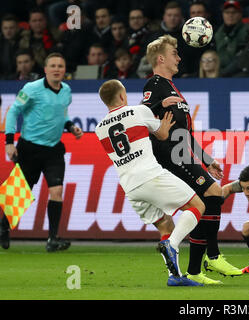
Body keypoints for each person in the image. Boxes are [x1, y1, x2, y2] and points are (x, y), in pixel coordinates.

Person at [141, 35, 243, 285]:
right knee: (214, 193)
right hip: (169, 156)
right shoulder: (154, 85)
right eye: (174, 53)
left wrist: (206, 159)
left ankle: (196, 270)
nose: (179, 57)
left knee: (204, 202)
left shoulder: (172, 86)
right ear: (161, 58)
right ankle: (213, 256)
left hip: (182, 153)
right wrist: (157, 105)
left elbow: (184, 133)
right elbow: (141, 117)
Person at [96, 79, 204, 287]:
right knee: (197, 205)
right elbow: (162, 135)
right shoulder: (138, 112)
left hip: (130, 186)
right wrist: (164, 124)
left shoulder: (100, 128)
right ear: (122, 96)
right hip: (150, 175)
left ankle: (174, 276)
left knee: (165, 224)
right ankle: (172, 245)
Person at [1, 53, 84, 252]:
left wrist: (71, 126)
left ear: (65, 70)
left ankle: (52, 239)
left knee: (57, 190)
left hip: (54, 150)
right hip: (29, 149)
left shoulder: (66, 91)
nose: (57, 69)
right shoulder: (31, 89)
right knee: (21, 193)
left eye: (60, 66)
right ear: (45, 69)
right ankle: (3, 227)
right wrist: (9, 142)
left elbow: (62, 112)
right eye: (53, 65)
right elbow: (13, 111)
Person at [214, 0, 249, 73]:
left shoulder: (247, 31)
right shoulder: (218, 33)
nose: (230, 15)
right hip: (218, 72)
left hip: (238, 73)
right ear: (222, 14)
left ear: (240, 14)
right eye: (227, 12)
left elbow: (242, 58)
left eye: (234, 12)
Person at [0, 14, 25, 79]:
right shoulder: (1, 43)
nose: (8, 31)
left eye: (11, 28)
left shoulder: (25, 41)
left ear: (17, 28)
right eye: (5, 28)